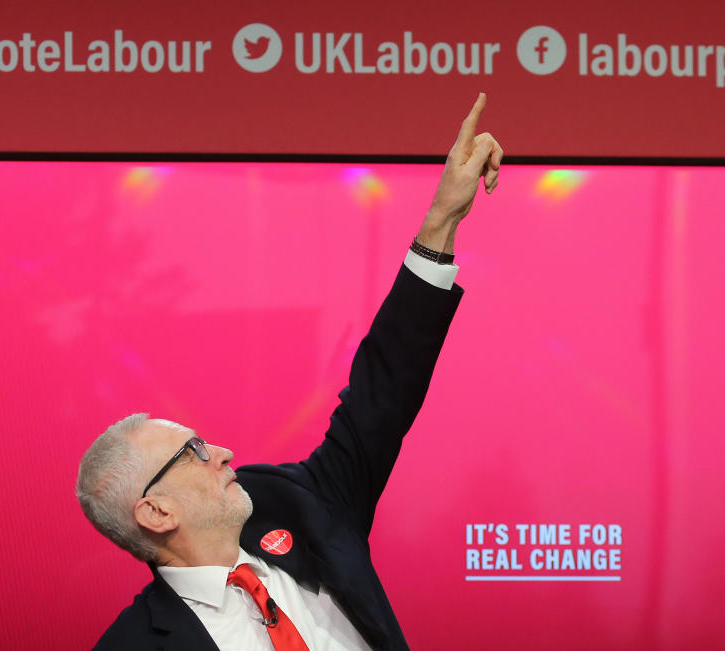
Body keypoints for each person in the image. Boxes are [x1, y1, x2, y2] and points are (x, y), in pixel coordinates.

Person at [76, 94, 503, 651]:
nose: (224, 452)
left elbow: (382, 394)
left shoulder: (295, 504)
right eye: (195, 452)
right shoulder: (134, 644)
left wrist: (442, 219)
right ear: (155, 511)